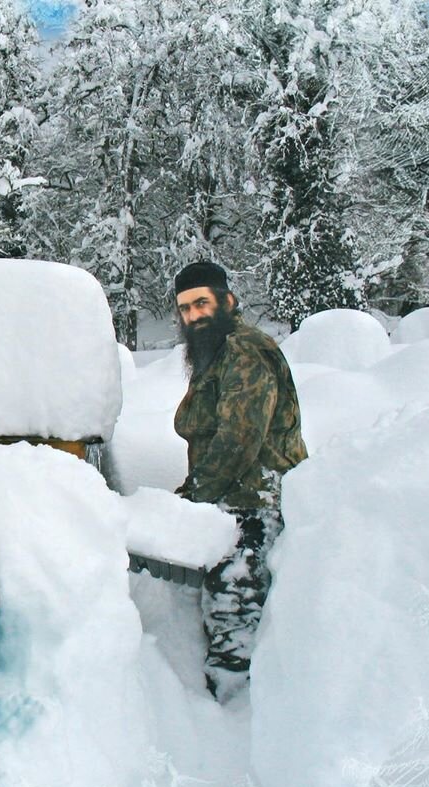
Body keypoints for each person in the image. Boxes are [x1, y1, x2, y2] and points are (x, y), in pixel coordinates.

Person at [172, 261, 308, 702]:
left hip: (252, 503)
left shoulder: (244, 351)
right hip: (231, 500)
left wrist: (193, 497)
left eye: (202, 303)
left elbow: (239, 437)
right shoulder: (218, 352)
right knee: (227, 602)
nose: (193, 315)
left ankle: (231, 715)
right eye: (185, 308)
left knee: (235, 607)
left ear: (228, 300)